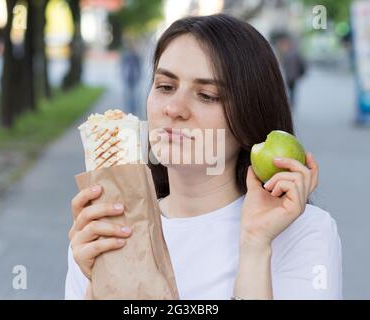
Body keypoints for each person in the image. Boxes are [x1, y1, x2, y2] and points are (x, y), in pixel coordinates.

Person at [66, 14, 342, 300]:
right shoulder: (103, 231)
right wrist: (98, 285)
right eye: (165, 86)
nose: (174, 108)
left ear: (249, 120)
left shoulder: (303, 232)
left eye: (207, 95)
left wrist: (255, 247)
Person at [273, 32, 307, 110]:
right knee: (289, 91)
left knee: (290, 91)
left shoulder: (292, 53)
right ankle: (289, 104)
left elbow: (302, 64)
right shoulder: (283, 53)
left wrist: (301, 74)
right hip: (287, 76)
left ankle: (290, 104)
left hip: (291, 76)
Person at [120, 41, 142, 115]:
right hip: (128, 77)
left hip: (134, 78)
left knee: (134, 94)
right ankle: (129, 109)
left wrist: (139, 76)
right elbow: (123, 66)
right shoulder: (126, 55)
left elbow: (139, 67)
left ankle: (133, 109)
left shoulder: (136, 56)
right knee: (128, 94)